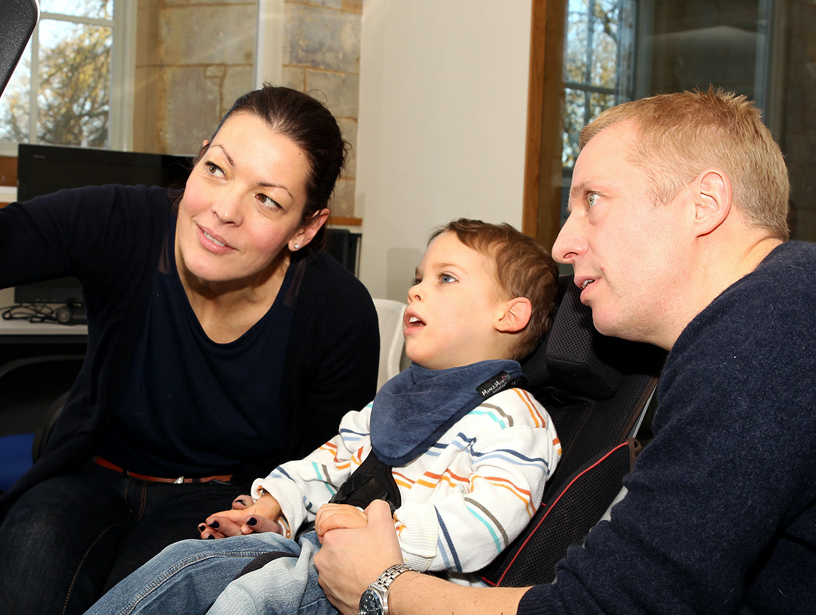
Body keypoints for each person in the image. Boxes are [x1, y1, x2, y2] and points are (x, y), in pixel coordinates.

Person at [312, 88, 816, 615]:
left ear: (704, 203)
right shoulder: (765, 321)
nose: (561, 247)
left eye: (593, 200)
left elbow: (604, 609)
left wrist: (382, 587)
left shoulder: (766, 334)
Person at [0, 85, 381, 614]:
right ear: (198, 159)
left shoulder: (337, 311)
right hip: (90, 475)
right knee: (26, 565)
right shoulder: (123, 221)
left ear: (307, 228)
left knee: (143, 598)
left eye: (267, 199)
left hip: (219, 500)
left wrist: (269, 514)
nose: (224, 209)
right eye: (217, 170)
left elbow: (329, 466)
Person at [83, 218, 562, 615]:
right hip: (318, 551)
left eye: (446, 278)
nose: (416, 290)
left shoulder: (515, 418)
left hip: (400, 583)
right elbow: (329, 464)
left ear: (510, 315)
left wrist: (375, 539)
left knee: (247, 600)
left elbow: (484, 524)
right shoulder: (395, 399)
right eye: (419, 276)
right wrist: (273, 507)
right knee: (183, 561)